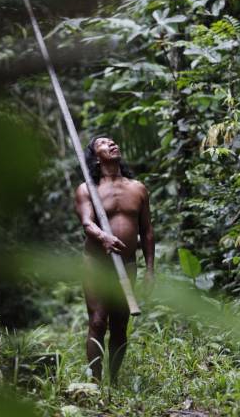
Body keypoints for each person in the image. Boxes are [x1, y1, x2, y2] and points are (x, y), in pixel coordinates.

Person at [74, 135, 155, 384]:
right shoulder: (88, 189)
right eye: (103, 143)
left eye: (112, 141)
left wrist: (151, 270)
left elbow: (147, 231)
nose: (111, 144)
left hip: (128, 265)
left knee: (120, 326)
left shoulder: (137, 188)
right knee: (98, 321)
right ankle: (95, 384)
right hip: (97, 264)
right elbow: (87, 222)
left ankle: (115, 381)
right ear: (96, 158)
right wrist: (103, 236)